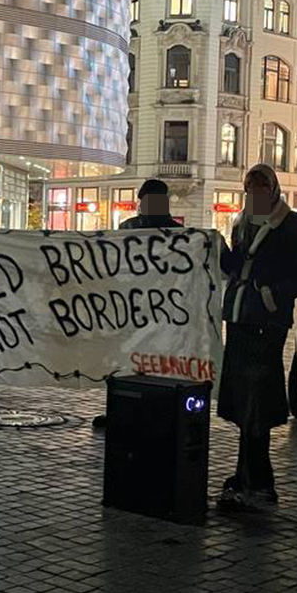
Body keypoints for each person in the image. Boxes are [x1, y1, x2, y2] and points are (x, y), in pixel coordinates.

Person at [216, 165, 297, 508]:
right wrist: (215, 250)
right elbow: (235, 266)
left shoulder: (292, 225)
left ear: (273, 191)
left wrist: (272, 295)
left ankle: (257, 482)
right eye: (250, 190)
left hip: (266, 324)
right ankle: (250, 477)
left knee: (255, 402)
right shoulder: (242, 222)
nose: (254, 196)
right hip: (240, 320)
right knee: (244, 401)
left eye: (260, 190)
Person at [92, 178, 182, 431]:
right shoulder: (176, 232)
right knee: (149, 365)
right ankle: (155, 412)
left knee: (125, 363)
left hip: (131, 309)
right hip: (160, 312)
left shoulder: (128, 228)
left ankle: (123, 410)